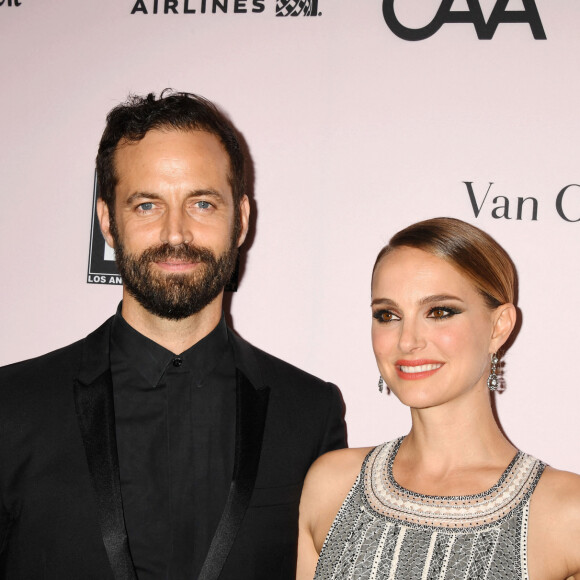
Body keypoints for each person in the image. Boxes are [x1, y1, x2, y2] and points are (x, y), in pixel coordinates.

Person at [0, 91, 346, 580]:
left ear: (242, 219)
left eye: (202, 203)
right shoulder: (12, 407)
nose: (176, 233)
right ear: (107, 222)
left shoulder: (309, 412)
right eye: (146, 205)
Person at [297, 217, 580, 579]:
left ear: (499, 327)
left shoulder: (566, 512)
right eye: (388, 315)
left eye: (439, 312)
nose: (407, 340)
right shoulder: (331, 486)